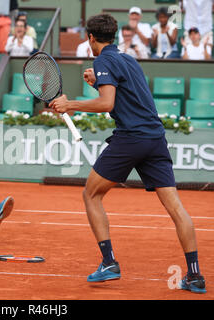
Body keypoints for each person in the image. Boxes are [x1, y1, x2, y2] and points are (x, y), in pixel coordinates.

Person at [49, 13, 206, 294]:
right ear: (117, 36)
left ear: (91, 39)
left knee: (91, 194)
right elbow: (126, 94)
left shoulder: (103, 60)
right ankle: (194, 275)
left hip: (131, 139)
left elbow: (108, 103)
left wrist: (70, 104)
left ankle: (109, 262)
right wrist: (96, 81)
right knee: (176, 208)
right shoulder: (129, 60)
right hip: (156, 139)